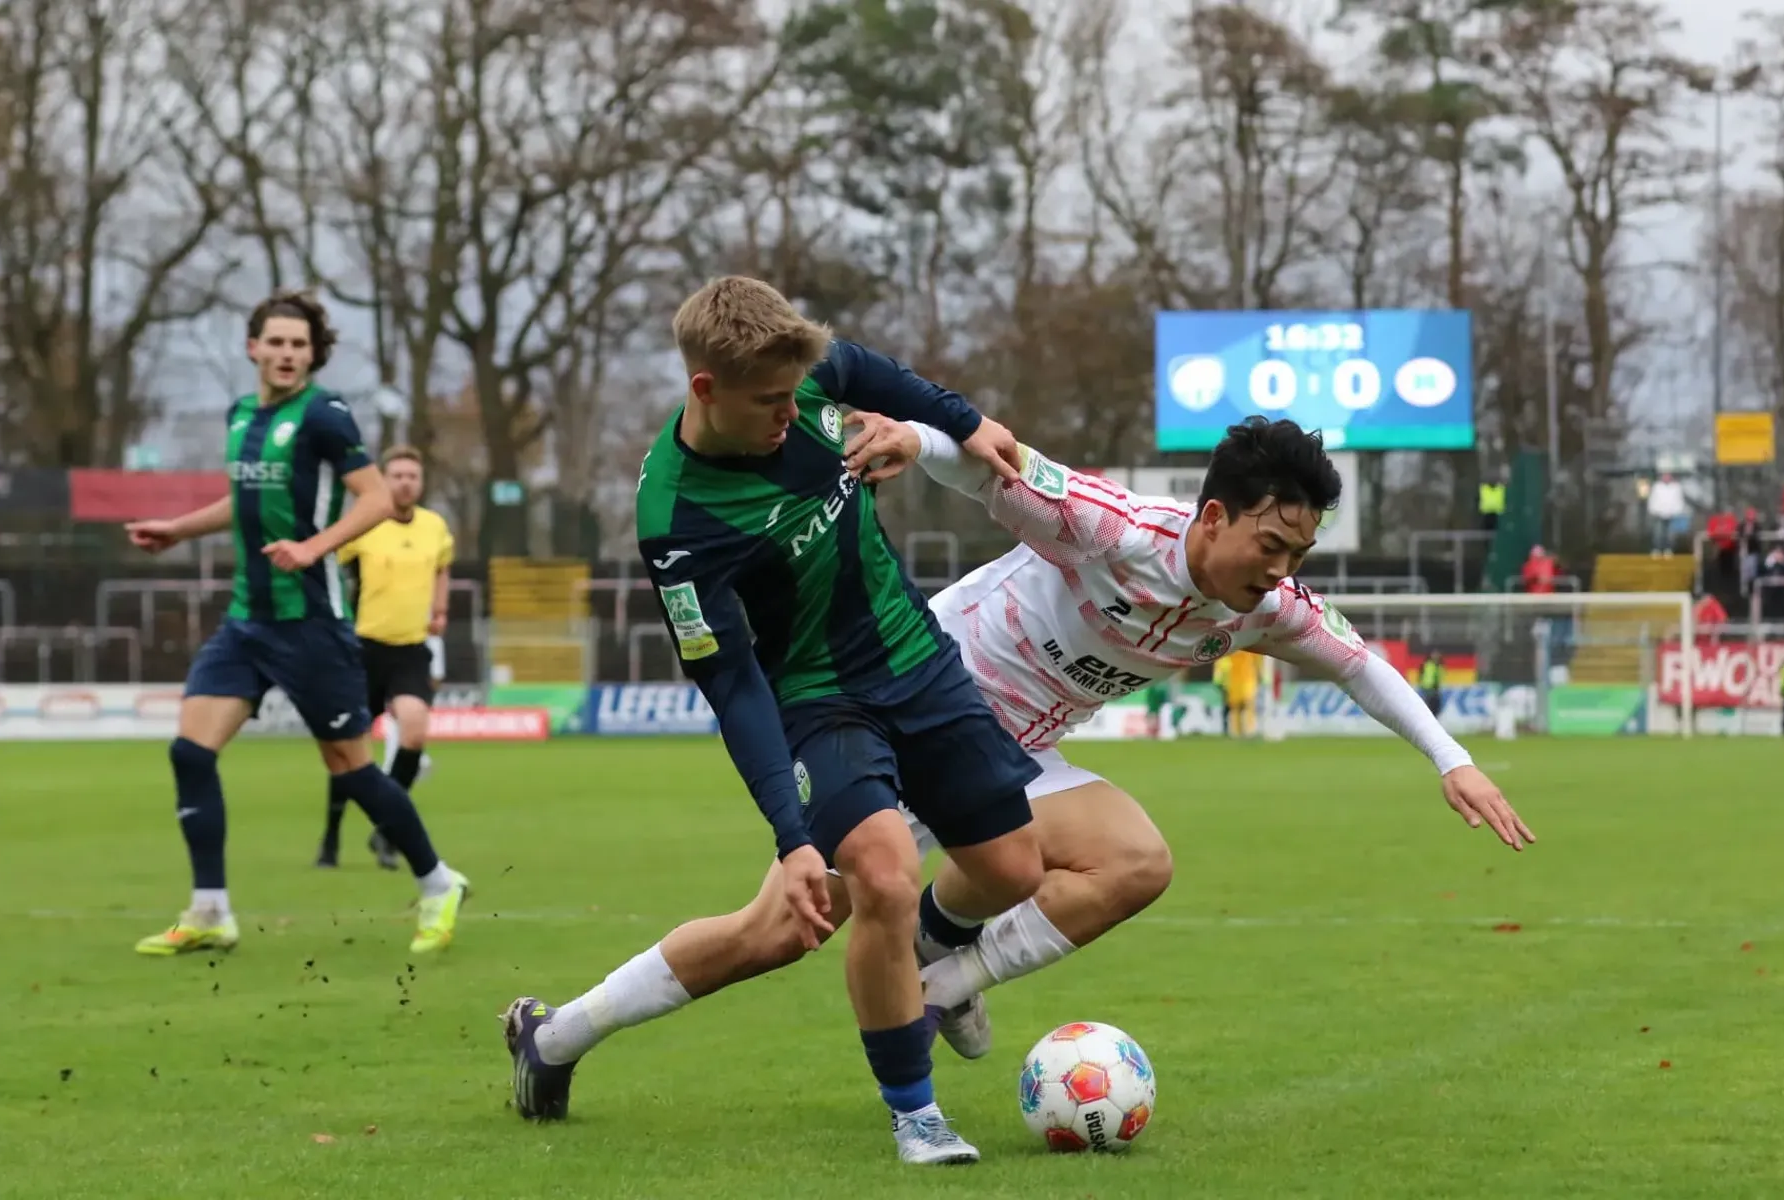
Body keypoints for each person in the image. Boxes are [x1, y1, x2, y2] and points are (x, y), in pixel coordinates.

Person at [498, 415, 1533, 1124]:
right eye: (1271, 542)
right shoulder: (1117, 531)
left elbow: (1360, 665)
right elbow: (998, 465)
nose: (1282, 570)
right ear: (1215, 517)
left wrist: (1455, 760)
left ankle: (946, 979)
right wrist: (917, 436)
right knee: (780, 929)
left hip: (1013, 755)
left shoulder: (1261, 608)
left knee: (1134, 861)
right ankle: (555, 1038)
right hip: (906, 708)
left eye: (1298, 553)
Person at [503, 277, 1044, 1165]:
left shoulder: (801, 376)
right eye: (771, 403)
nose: (794, 414)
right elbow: (732, 681)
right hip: (815, 698)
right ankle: (916, 1113)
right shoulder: (675, 520)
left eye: (800, 394)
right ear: (704, 389)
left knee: (1013, 868)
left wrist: (963, 424)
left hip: (916, 654)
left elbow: (873, 369)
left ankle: (914, 964)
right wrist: (792, 836)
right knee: (881, 875)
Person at [124, 289, 469, 956]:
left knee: (352, 770)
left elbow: (372, 498)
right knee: (189, 752)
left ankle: (436, 883)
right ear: (252, 347)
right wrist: (179, 530)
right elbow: (244, 498)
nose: (286, 354)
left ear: (313, 355)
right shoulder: (241, 415)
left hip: (311, 623)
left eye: (298, 345)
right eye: (275, 342)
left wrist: (315, 549)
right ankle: (210, 911)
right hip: (246, 622)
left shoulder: (326, 415)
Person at [316, 445, 455, 870]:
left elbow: (442, 568)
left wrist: (441, 608)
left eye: (412, 476)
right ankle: (332, 838)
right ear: (384, 481)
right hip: (363, 649)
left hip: (411, 650)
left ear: (421, 482)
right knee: (347, 748)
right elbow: (328, 565)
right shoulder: (364, 524)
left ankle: (386, 829)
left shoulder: (435, 527)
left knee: (413, 734)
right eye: (396, 475)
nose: (405, 482)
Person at [1417, 650, 1446, 716]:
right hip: (1427, 688)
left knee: (1436, 707)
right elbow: (1421, 675)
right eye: (1434, 654)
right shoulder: (1427, 664)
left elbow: (1440, 676)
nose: (1435, 656)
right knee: (1429, 706)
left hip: (1435, 689)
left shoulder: (1439, 665)